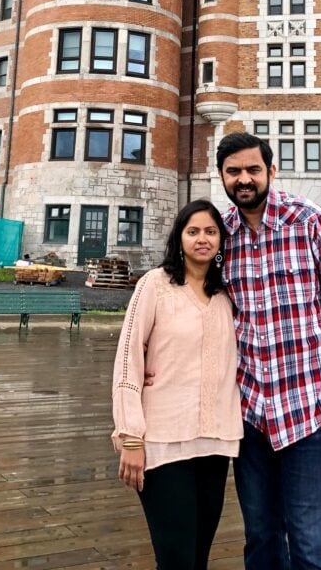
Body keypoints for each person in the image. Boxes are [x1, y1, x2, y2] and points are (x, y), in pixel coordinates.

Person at [216, 131, 321, 570]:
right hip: (248, 412)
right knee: (260, 537)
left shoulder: (308, 219)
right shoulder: (221, 233)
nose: (244, 179)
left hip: (308, 407)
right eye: (234, 171)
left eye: (252, 170)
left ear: (270, 172)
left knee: (312, 541)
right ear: (222, 176)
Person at [112, 198, 243, 570]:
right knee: (176, 559)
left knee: (198, 556)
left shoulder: (227, 295)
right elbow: (128, 359)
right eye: (193, 231)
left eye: (211, 231)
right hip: (162, 442)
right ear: (179, 237)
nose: (202, 239)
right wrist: (131, 436)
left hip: (216, 443)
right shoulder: (155, 285)